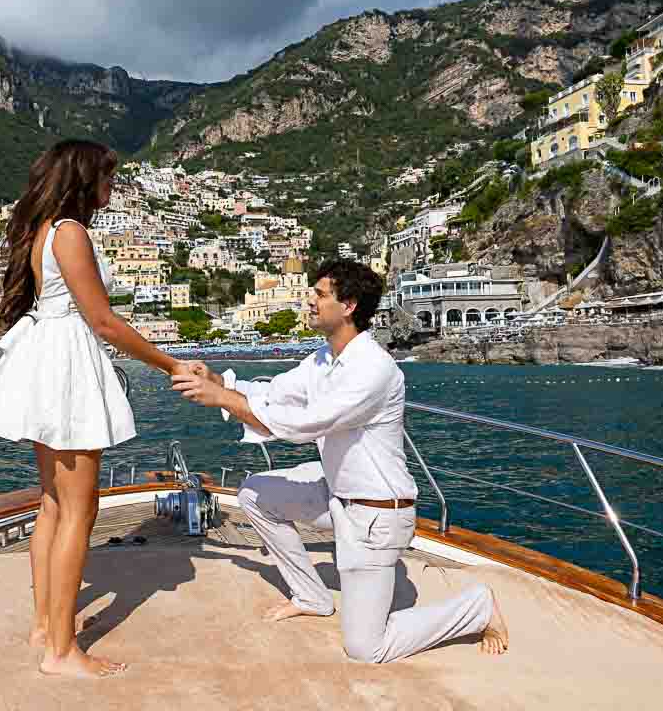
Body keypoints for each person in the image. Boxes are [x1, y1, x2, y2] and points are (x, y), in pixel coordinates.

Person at [172, 260, 509, 663]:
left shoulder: (372, 369)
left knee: (366, 647)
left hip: (376, 515)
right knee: (254, 494)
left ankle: (477, 607)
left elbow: (302, 425)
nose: (309, 301)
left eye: (320, 294)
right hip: (338, 496)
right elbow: (276, 393)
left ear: (348, 305)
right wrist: (219, 382)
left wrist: (223, 400)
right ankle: (311, 596)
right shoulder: (322, 359)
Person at [0, 140, 198, 678]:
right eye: (107, 178)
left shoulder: (43, 230)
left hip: (46, 362)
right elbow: (104, 322)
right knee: (79, 509)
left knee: (52, 505)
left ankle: (46, 626)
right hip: (66, 369)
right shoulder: (70, 232)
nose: (111, 188)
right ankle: (62, 652)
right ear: (84, 178)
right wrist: (170, 365)